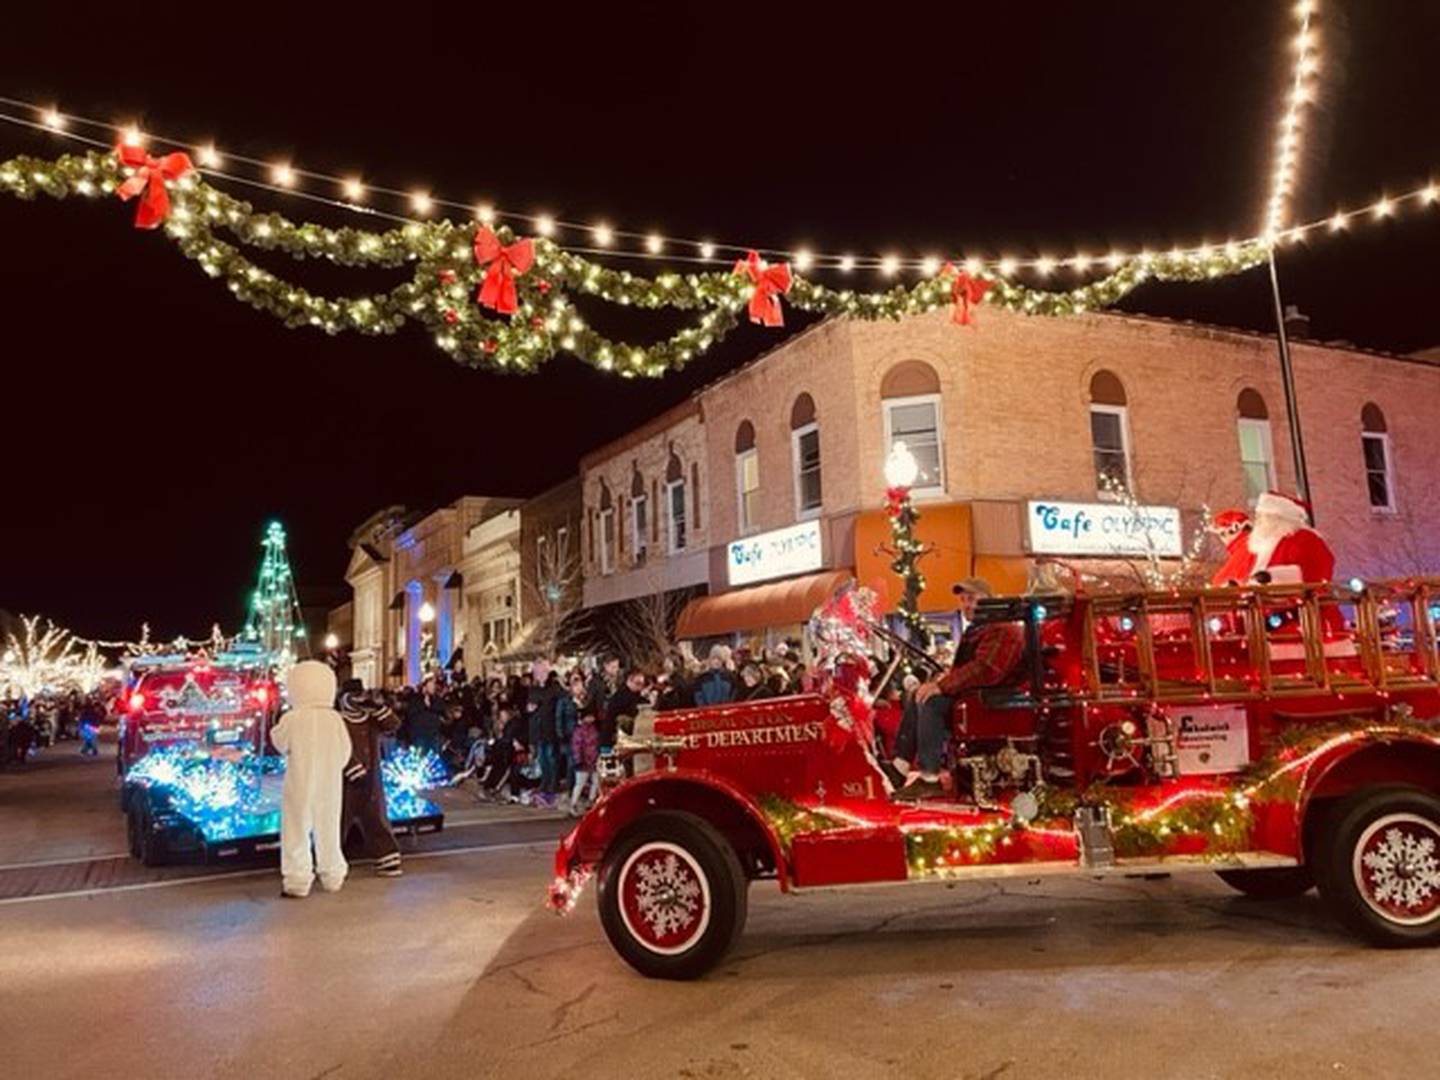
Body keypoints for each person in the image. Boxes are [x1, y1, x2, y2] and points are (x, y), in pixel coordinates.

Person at [899, 578, 1026, 801]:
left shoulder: (1002, 630)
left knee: (931, 702)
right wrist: (940, 682)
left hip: (990, 703)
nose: (967, 604)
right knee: (917, 695)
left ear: (988, 600)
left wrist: (942, 686)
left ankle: (930, 777)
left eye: (973, 599)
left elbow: (985, 669)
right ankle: (899, 766)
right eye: (964, 600)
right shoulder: (980, 630)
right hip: (975, 696)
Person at [270, 661, 352, 898]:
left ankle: (298, 879)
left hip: (300, 780)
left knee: (297, 827)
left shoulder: (293, 718)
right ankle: (333, 874)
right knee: (329, 827)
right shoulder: (335, 718)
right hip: (329, 782)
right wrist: (333, 766)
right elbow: (344, 751)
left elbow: (280, 743)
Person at [337, 680, 404, 879]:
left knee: (376, 819)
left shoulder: (371, 719)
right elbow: (336, 745)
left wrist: (378, 708)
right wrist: (351, 766)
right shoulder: (338, 720)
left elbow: (394, 725)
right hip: (345, 782)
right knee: (338, 822)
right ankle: (328, 863)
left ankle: (387, 858)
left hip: (371, 782)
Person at [604, 669, 649, 749]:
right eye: (638, 683)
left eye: (642, 684)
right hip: (615, 737)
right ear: (629, 681)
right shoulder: (622, 696)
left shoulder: (634, 695)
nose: (640, 687)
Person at [568, 706, 601, 815]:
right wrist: (578, 760)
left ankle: (590, 801)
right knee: (581, 783)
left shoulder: (592, 729)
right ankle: (574, 803)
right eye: (589, 716)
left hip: (593, 759)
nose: (592, 718)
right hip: (585, 761)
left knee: (596, 782)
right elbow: (576, 747)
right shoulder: (581, 731)